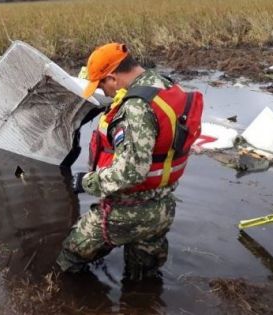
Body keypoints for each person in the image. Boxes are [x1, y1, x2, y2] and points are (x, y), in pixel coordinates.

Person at [56, 43, 203, 280]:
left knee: (68, 257)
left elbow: (132, 172)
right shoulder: (164, 84)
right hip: (163, 207)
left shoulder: (135, 108)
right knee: (144, 279)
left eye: (102, 84)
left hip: (126, 212)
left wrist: (86, 182)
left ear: (112, 77)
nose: (104, 92)